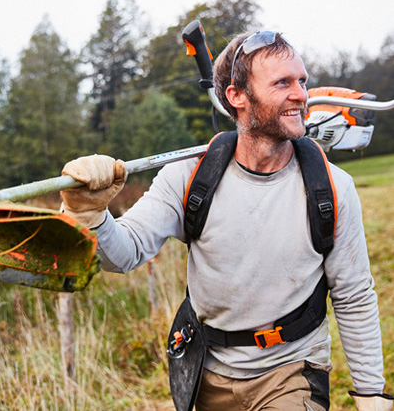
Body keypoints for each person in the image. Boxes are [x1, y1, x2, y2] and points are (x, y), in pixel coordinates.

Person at [60, 31, 393, 410]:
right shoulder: (189, 176)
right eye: (282, 82)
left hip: (291, 370)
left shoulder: (332, 188)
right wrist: (90, 212)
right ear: (237, 97)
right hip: (206, 370)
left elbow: (353, 296)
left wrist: (370, 393)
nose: (302, 95)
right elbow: (123, 253)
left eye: (302, 80)